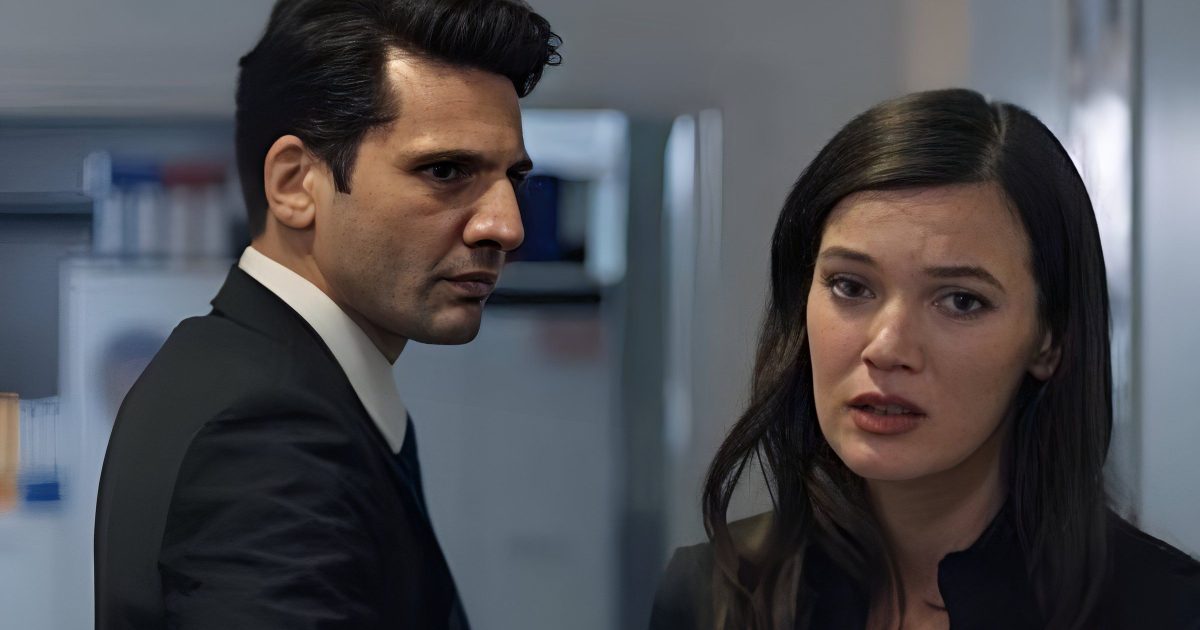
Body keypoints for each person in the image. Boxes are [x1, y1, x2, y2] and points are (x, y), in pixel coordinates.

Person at [649, 89, 1200, 630]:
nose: (887, 348)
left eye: (961, 301)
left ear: (1048, 341)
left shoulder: (1168, 610)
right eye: (850, 286)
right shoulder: (713, 596)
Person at [94, 1, 560, 628]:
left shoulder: (257, 378)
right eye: (445, 170)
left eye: (513, 179)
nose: (506, 226)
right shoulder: (266, 429)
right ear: (294, 185)